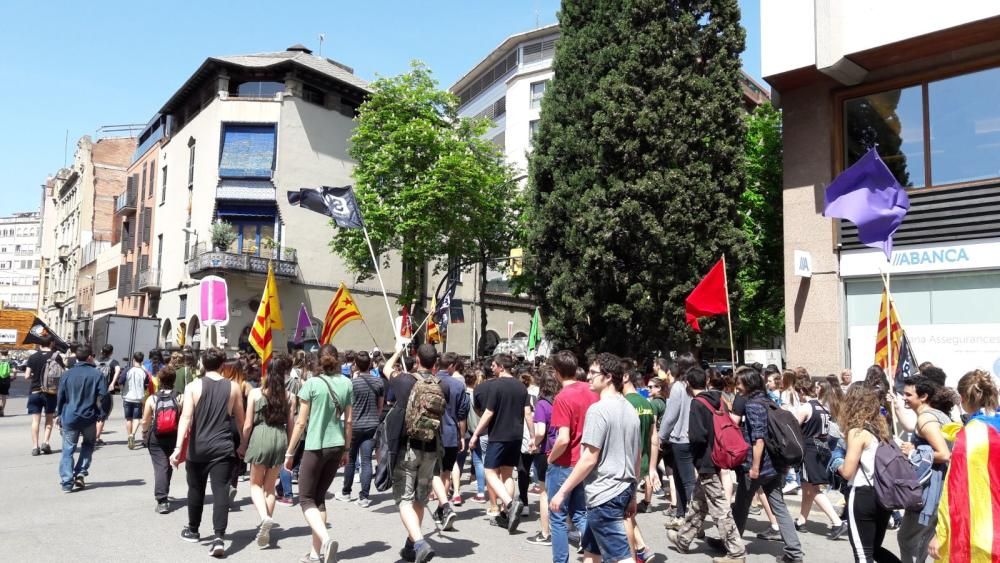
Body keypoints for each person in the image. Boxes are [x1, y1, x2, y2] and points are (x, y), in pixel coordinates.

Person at [549, 353, 640, 563]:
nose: (588, 376)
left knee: (621, 557)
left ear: (608, 377)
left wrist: (562, 492)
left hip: (605, 493)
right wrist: (633, 494)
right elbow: (635, 456)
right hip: (622, 489)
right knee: (591, 552)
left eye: (593, 372)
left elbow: (589, 458)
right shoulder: (629, 408)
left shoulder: (598, 410)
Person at [170, 347, 246, 558]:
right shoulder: (233, 387)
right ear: (223, 365)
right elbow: (241, 420)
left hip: (198, 447)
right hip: (223, 448)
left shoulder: (193, 386)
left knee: (196, 489)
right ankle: (219, 537)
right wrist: (244, 444)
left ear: (202, 364)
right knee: (221, 490)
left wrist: (177, 448)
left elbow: (185, 418)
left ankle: (193, 530)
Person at [667, 367, 746, 563]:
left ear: (688, 384)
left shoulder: (697, 403)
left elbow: (697, 436)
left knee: (719, 507)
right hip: (717, 456)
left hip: (705, 460)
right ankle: (683, 539)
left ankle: (736, 552)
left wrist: (693, 457)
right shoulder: (717, 399)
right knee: (698, 502)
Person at [285, 344, 352, 563]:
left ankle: (325, 539)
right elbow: (349, 421)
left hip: (316, 446)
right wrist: (348, 449)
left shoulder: (312, 384)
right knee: (319, 499)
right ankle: (315, 554)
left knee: (305, 499)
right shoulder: (346, 383)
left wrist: (290, 451)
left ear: (318, 361)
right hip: (337, 445)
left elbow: (300, 422)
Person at [730, 366, 803, 562]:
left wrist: (754, 467)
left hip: (759, 466)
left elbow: (759, 439)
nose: (736, 387)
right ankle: (795, 552)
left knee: (741, 505)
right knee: (779, 506)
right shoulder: (768, 401)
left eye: (739, 383)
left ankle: (733, 546)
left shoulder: (753, 405)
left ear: (748, 383)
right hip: (775, 465)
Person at [386, 344, 451, 563]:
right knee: (420, 499)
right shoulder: (443, 386)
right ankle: (411, 544)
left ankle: (421, 543)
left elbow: (386, 369)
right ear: (436, 363)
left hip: (408, 448)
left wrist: (397, 351)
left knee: (404, 500)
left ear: (416, 358)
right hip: (431, 449)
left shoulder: (404, 380)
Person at [929, 369, 1000, 562]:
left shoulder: (971, 436)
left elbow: (954, 490)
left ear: (961, 398)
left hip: (979, 533)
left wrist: (941, 534)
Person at [835, 384, 901, 563]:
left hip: (863, 494)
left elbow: (848, 472)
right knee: (874, 550)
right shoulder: (883, 430)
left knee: (863, 555)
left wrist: (836, 464)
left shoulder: (857, 432)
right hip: (884, 495)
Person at [470, 353, 532, 534]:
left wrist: (476, 434)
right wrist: (533, 436)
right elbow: (527, 413)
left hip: (499, 435)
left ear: (501, 367)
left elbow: (488, 413)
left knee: (490, 471)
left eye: (494, 365)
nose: (492, 368)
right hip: (516, 435)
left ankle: (511, 504)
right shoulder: (521, 387)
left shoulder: (496, 386)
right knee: (507, 474)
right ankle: (507, 514)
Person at [546, 350, 597, 563]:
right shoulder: (591, 390)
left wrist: (550, 458)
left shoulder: (562, 398)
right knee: (580, 513)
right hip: (586, 461)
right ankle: (594, 553)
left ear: (557, 373)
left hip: (565, 462)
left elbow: (563, 438)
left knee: (557, 517)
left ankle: (561, 560)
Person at [896, 376, 951, 563]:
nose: (904, 397)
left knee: (906, 539)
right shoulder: (938, 414)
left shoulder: (926, 420)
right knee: (922, 541)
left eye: (908, 394)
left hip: (929, 490)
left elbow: (943, 454)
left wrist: (914, 452)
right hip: (941, 486)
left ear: (924, 396)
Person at [243, 354, 294, 549]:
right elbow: (291, 425)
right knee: (270, 487)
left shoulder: (256, 394)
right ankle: (267, 528)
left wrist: (243, 444)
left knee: (255, 484)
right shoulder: (289, 396)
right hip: (280, 437)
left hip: (260, 435)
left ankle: (264, 517)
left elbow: (247, 425)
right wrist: (289, 450)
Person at [792, 375, 848, 539]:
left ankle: (837, 522)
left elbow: (793, 428)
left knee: (813, 488)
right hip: (821, 448)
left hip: (809, 449)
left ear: (802, 391)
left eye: (799, 392)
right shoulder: (823, 407)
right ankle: (802, 520)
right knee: (806, 487)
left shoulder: (806, 407)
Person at [55, 345, 109, 493]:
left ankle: (66, 482)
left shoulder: (67, 374)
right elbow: (104, 396)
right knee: (88, 444)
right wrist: (101, 412)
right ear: (89, 357)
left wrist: (58, 413)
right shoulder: (97, 374)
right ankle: (80, 472)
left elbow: (61, 396)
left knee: (68, 449)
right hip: (89, 417)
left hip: (70, 416)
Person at [657, 352, 699, 529]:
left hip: (680, 437)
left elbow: (670, 415)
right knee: (682, 479)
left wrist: (661, 436)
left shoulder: (679, 387)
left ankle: (693, 520)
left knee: (687, 480)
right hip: (694, 436)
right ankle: (680, 515)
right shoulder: (697, 384)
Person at [430, 351, 469, 530]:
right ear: (452, 366)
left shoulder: (430, 381)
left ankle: (442, 507)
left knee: (433, 472)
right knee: (446, 471)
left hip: (432, 433)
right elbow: (462, 415)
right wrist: (462, 436)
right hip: (451, 433)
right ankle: (442, 508)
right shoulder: (458, 386)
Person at [341, 350, 384, 508]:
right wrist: (374, 416)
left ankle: (346, 492)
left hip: (354, 425)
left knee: (351, 459)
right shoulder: (378, 382)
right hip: (372, 425)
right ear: (370, 364)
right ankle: (364, 497)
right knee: (366, 461)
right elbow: (380, 406)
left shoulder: (352, 384)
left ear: (356, 365)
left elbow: (347, 406)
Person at [622, 368, 656, 561]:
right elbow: (653, 437)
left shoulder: (625, 403)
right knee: (628, 511)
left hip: (628, 463)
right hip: (641, 461)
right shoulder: (646, 403)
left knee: (625, 513)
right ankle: (641, 549)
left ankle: (638, 550)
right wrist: (651, 467)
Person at [525, 366, 560, 546]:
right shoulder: (561, 401)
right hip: (562, 450)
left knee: (544, 493)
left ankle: (545, 532)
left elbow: (540, 431)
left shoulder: (542, 404)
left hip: (546, 452)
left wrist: (534, 443)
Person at [142, 365, 180, 513]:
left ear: (159, 380)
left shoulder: (152, 398)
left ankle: (162, 500)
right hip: (174, 436)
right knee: (168, 464)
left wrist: (144, 434)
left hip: (156, 436)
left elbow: (145, 420)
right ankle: (164, 492)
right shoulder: (179, 396)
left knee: (160, 466)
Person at [25, 335, 60, 455]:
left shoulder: (33, 356)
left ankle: (35, 447)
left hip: (35, 392)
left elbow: (26, 376)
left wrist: (35, 376)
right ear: (51, 343)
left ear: (40, 344)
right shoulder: (56, 356)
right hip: (50, 392)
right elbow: (62, 373)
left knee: (35, 421)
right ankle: (46, 442)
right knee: (49, 419)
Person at [463, 370, 487, 503]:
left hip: (475, 431)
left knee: (478, 462)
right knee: (491, 463)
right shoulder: (490, 394)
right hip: (490, 431)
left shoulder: (470, 396)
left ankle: (481, 492)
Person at [119, 351, 151, 450]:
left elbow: (120, 381)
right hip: (138, 398)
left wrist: (122, 390)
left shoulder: (128, 370)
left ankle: (129, 436)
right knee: (137, 418)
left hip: (128, 397)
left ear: (133, 359)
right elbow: (146, 384)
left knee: (129, 418)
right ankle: (133, 434)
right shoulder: (144, 372)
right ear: (142, 361)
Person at [94, 344, 121, 446]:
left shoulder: (95, 362)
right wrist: (112, 383)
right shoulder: (113, 362)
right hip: (105, 391)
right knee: (102, 414)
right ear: (111, 352)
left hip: (94, 391)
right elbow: (118, 370)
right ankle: (97, 438)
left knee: (94, 413)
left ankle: (91, 436)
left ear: (101, 351)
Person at [0, 349, 12, 417]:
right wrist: (14, 377)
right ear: (7, 354)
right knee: (4, 396)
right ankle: (2, 411)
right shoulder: (9, 361)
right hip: (6, 380)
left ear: (1, 353)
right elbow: (14, 370)